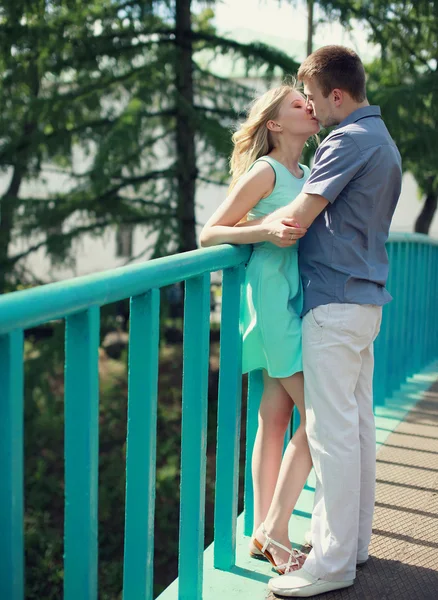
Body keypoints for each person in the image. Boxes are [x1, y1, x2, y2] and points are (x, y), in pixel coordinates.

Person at [249, 46, 402, 597]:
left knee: (332, 436)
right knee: (355, 431)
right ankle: (352, 546)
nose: (312, 112)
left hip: (332, 304)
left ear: (336, 94)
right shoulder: (383, 141)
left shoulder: (346, 140)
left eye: (312, 98)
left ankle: (332, 565)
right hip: (363, 304)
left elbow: (296, 219)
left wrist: (246, 227)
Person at [200, 82, 319, 574]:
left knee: (274, 419)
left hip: (293, 303)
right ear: (274, 124)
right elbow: (209, 233)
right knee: (322, 420)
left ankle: (259, 534)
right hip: (270, 306)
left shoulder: (308, 172)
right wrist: (263, 231)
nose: (309, 106)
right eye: (297, 104)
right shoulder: (267, 171)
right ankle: (275, 530)